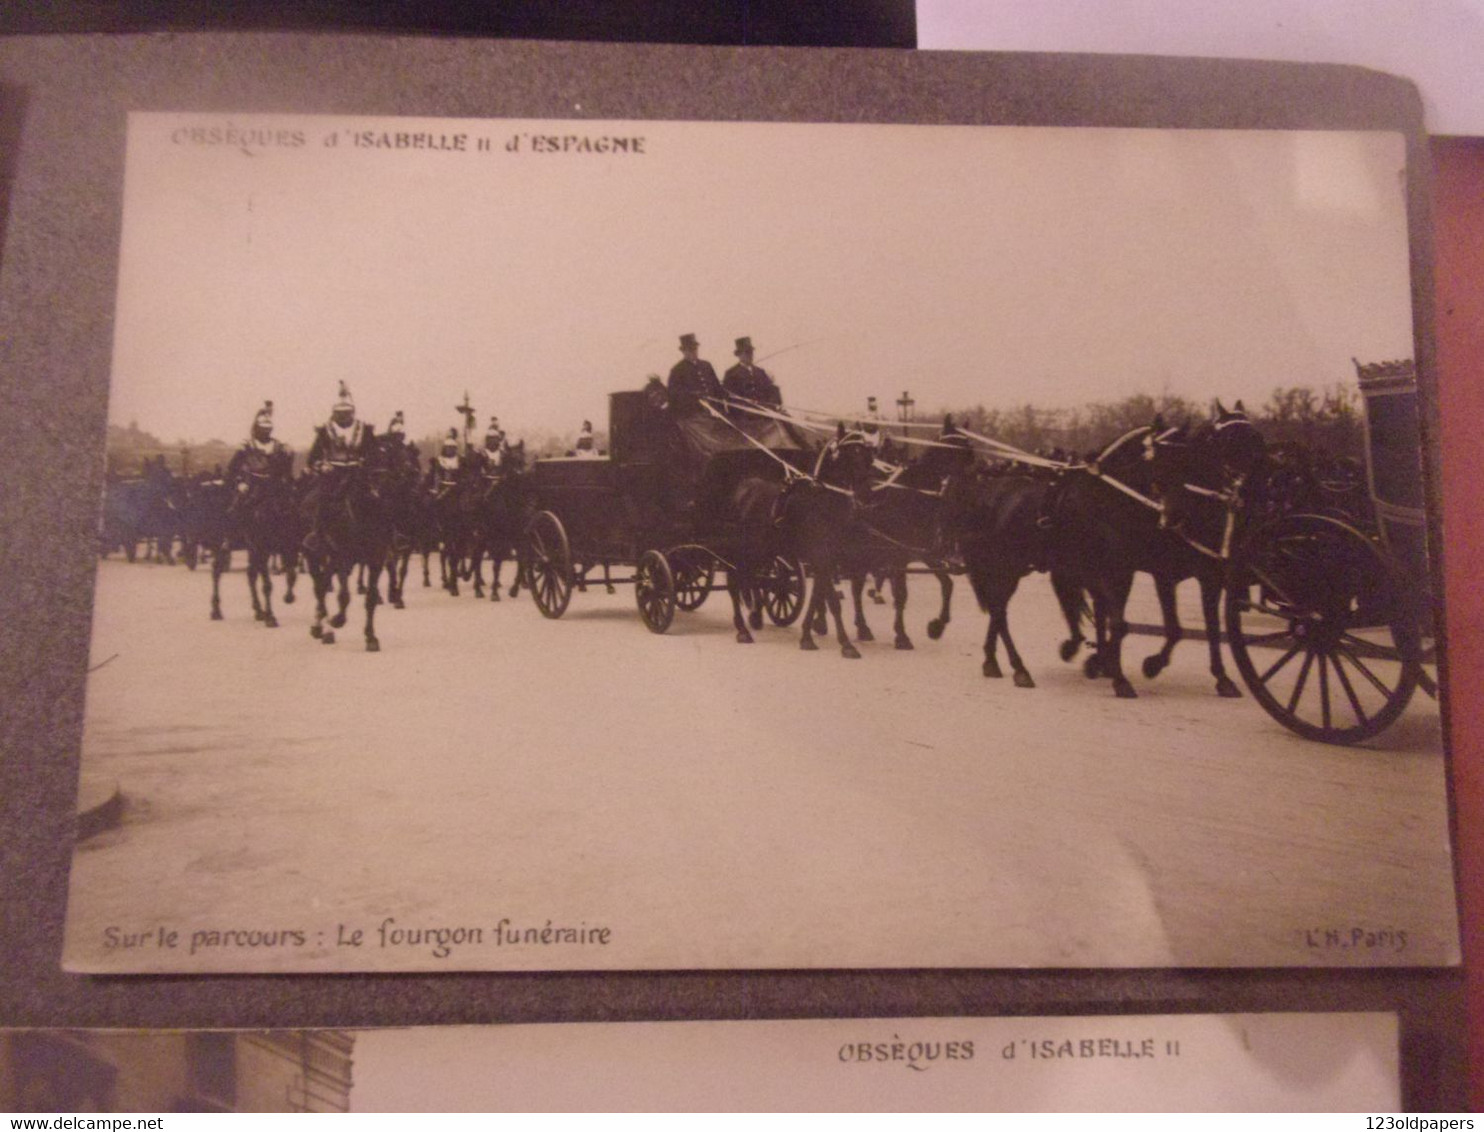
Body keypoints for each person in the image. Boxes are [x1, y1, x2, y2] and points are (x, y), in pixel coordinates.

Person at [304, 382, 375, 553]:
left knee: (376, 499)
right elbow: (313, 457)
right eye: (340, 414)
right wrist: (322, 465)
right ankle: (316, 534)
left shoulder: (364, 429)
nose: (344, 417)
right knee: (319, 499)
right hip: (332, 475)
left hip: (357, 473)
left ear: (352, 412)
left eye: (347, 413)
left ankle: (386, 536)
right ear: (334, 413)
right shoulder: (325, 431)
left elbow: (373, 453)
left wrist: (366, 463)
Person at [225, 400, 292, 510]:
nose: (265, 432)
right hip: (251, 484)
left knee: (288, 509)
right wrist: (240, 483)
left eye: (268, 429)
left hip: (272, 485)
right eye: (262, 429)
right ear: (257, 428)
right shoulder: (247, 445)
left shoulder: (278, 446)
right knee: (237, 509)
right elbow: (232, 468)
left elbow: (285, 469)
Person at [666, 333, 723, 415]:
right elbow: (675, 394)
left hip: (715, 409)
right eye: (690, 349)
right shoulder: (677, 370)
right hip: (694, 413)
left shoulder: (706, 365)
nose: (693, 352)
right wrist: (693, 395)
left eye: (695, 348)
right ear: (683, 351)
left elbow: (716, 386)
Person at [722, 336, 782, 409]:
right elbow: (730, 398)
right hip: (744, 415)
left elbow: (771, 392)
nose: (750, 355)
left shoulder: (761, 372)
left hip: (764, 413)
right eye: (747, 352)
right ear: (739, 355)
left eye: (751, 352)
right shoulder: (731, 373)